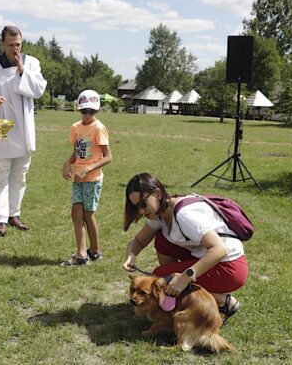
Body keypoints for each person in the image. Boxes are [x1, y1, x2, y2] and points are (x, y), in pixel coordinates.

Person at [121, 173, 248, 322]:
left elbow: (220, 249)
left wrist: (184, 277)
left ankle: (224, 302)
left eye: (143, 204)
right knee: (162, 240)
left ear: (157, 194)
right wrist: (131, 255)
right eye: (136, 207)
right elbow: (138, 241)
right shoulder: (160, 213)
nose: (141, 211)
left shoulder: (184, 215)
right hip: (206, 256)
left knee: (160, 278)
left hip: (229, 267)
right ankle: (178, 296)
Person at [0, 26, 47, 237]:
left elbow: (38, 90)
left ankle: (13, 214)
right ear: (2, 44)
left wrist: (22, 70)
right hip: (1, 130)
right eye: (10, 45)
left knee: (19, 176)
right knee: (0, 176)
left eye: (18, 45)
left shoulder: (31, 63)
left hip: (23, 130)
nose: (15, 49)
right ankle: (0, 219)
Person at [60, 90, 112, 266]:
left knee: (88, 214)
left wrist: (89, 168)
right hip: (78, 177)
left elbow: (108, 156)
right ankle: (82, 254)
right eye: (85, 111)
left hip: (93, 178)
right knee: (76, 213)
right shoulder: (76, 127)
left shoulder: (98, 128)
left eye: (92, 111)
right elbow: (77, 152)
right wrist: (67, 163)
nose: (88, 115)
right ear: (79, 109)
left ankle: (95, 251)